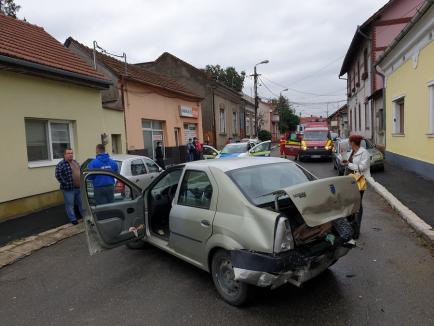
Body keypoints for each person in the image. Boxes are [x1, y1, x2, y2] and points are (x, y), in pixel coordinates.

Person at [343, 134, 370, 239]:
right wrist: (345, 162)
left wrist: (348, 165)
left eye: (349, 142)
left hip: (359, 181)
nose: (349, 143)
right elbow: (350, 163)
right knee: (350, 203)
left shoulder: (364, 153)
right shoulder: (352, 152)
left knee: (357, 205)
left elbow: (363, 167)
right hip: (349, 180)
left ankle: (356, 230)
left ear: (353, 142)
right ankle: (350, 227)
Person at [55, 148, 85, 225]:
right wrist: (66, 184)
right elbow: (58, 175)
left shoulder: (75, 162)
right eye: (68, 153)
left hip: (79, 188)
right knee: (70, 205)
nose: (70, 155)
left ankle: (84, 216)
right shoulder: (61, 164)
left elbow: (80, 172)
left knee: (81, 203)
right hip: (69, 189)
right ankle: (73, 219)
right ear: (64, 155)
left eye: (71, 153)